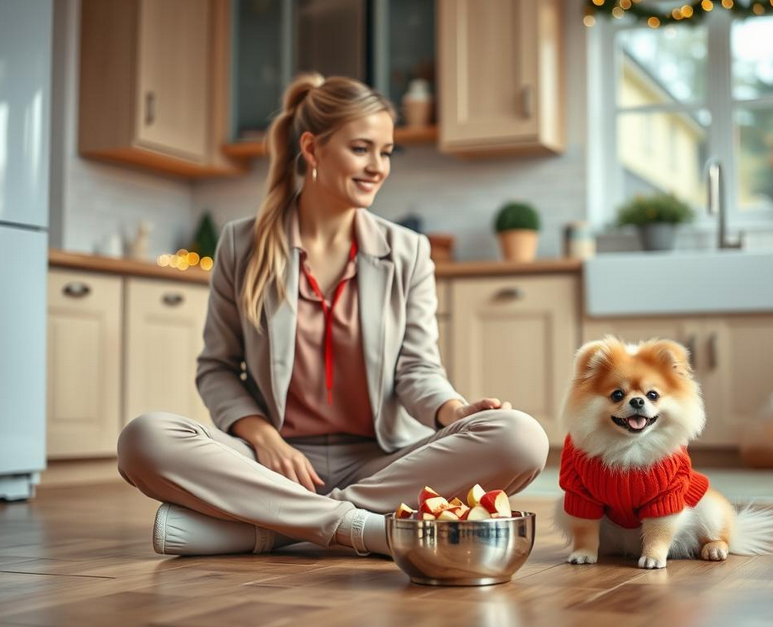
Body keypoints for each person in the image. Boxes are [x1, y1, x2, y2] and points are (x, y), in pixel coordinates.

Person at [116, 73, 549, 557]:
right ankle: (363, 525)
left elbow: (417, 370)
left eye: (386, 152)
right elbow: (217, 367)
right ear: (313, 148)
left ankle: (280, 525)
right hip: (273, 463)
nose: (378, 167)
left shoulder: (407, 251)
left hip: (383, 464)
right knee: (145, 439)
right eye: (362, 149)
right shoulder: (243, 244)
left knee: (521, 438)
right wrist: (263, 438)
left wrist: (455, 412)